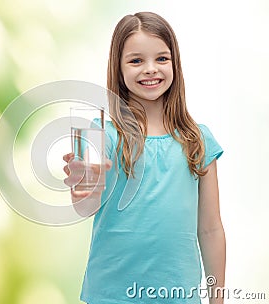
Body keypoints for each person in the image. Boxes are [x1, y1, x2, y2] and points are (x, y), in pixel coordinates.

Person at [63, 12, 226, 304]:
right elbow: (85, 207)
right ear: (119, 68)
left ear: (175, 63)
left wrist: (218, 298)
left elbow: (211, 228)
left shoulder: (197, 141)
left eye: (161, 59)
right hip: (110, 295)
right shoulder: (101, 136)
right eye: (136, 60)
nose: (150, 69)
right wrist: (81, 184)